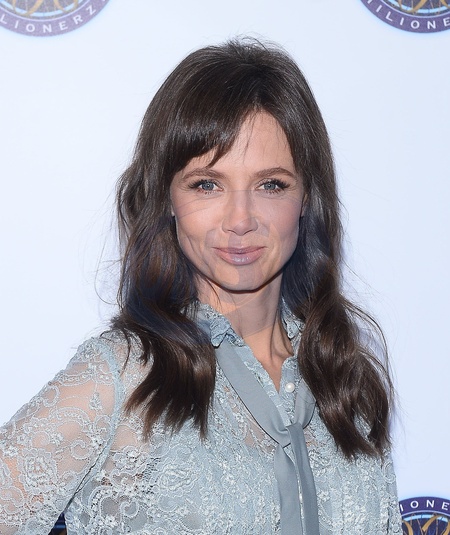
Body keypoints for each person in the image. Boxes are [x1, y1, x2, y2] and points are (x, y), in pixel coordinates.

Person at [0, 39, 402, 534]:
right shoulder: (122, 376)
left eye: (271, 185)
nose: (240, 219)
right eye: (206, 184)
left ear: (306, 198)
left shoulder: (345, 381)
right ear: (166, 197)